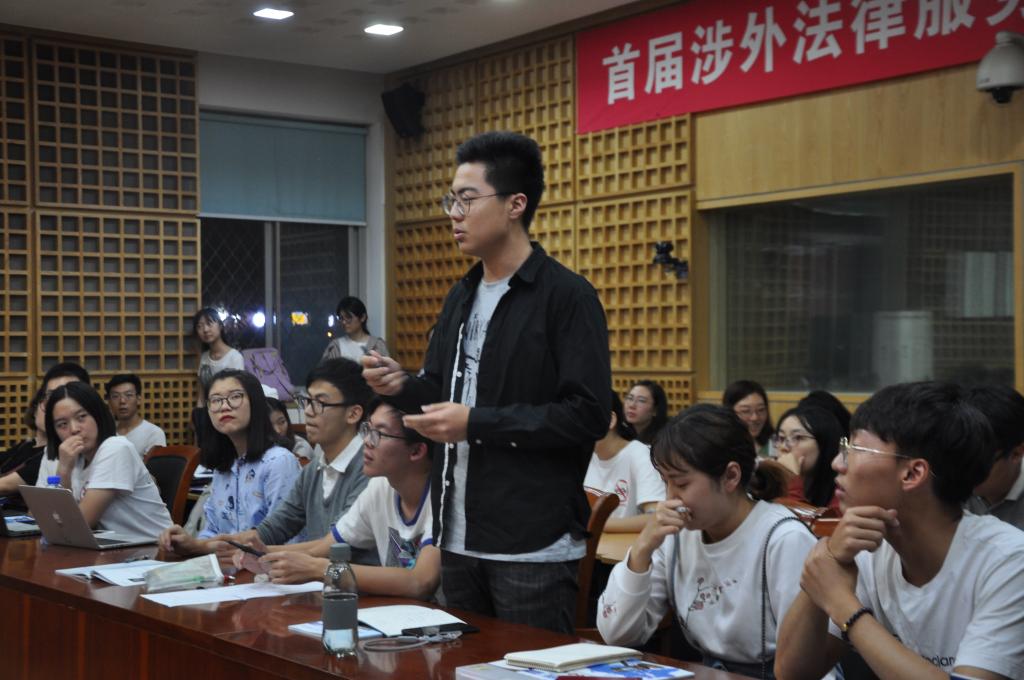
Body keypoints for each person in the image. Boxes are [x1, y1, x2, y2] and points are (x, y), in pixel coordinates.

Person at [362, 130, 611, 634]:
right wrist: (400, 385)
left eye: (467, 199)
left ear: (516, 204)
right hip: (456, 532)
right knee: (465, 667)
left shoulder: (566, 296)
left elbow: (587, 414)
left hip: (530, 540)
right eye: (451, 200)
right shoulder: (462, 295)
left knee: (530, 667)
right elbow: (441, 393)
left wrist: (475, 423)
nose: (454, 214)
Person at [775, 382, 1024, 680]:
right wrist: (823, 570)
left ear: (912, 473)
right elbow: (792, 673)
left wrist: (843, 605)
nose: (837, 463)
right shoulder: (870, 550)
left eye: (853, 449)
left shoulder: (1010, 561)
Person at [597, 406, 816, 678]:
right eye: (665, 482)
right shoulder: (677, 535)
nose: (670, 498)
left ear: (731, 476)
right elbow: (616, 634)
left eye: (681, 484)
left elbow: (808, 659)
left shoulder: (784, 539)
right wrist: (642, 549)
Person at [234, 399, 439, 600]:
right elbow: (324, 548)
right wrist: (263, 554)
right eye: (367, 429)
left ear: (416, 451)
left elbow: (420, 582)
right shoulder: (379, 487)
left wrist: (322, 569)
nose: (367, 441)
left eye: (379, 434)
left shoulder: (442, 498)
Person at [229, 359, 372, 549]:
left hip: (353, 569)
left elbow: (337, 546)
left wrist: (264, 552)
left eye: (320, 403)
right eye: (307, 401)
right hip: (314, 569)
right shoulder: (313, 470)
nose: (308, 411)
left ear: (353, 414)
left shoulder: (370, 470)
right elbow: (274, 528)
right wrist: (203, 546)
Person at [159, 369, 300, 555]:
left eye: (235, 397)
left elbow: (288, 540)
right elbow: (211, 532)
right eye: (216, 400)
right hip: (226, 567)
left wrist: (203, 547)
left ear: (255, 403)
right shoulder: (224, 467)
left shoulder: (278, 461)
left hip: (271, 567)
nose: (224, 406)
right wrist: (188, 544)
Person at [37, 382, 171, 539]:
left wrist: (64, 469)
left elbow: (80, 525)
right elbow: (57, 520)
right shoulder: (78, 460)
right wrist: (64, 470)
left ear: (97, 415)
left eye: (81, 417)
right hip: (113, 547)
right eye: (62, 424)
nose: (74, 429)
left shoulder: (115, 448)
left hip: (154, 548)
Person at [585, 393, 664, 532]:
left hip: (622, 545)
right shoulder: (582, 455)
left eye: (581, 419)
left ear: (610, 420)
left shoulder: (641, 455)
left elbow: (657, 517)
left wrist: (594, 524)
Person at [964, 384, 1024, 530]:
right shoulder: (945, 487)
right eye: (959, 457)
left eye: (978, 462)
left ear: (1016, 453)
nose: (964, 471)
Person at [773, 405, 841, 512]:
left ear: (824, 444)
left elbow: (794, 522)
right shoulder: (771, 481)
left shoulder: (842, 490)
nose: (784, 447)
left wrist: (792, 480)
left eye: (798, 437)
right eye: (781, 438)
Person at [0, 389, 48, 496]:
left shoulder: (52, 455)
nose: (50, 414)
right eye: (46, 407)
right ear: (35, 410)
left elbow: (5, 486)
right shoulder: (27, 444)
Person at [104, 374, 167, 458]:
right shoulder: (106, 432)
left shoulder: (153, 433)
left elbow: (155, 465)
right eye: (115, 396)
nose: (122, 401)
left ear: (138, 399)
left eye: (128, 395)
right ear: (109, 401)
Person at [192, 307, 245, 401]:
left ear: (220, 326)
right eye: (199, 326)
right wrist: (199, 409)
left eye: (209, 323)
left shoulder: (235, 357)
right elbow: (201, 393)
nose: (205, 330)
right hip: (209, 406)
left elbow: (237, 392)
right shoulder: (204, 357)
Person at [321, 296, 389, 363]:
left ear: (362, 317)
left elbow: (387, 367)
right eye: (341, 318)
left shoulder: (377, 344)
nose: (344, 322)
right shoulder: (335, 346)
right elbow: (325, 369)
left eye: (348, 317)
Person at [723, 380, 773, 457]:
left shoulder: (776, 443)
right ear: (729, 412)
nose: (755, 418)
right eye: (745, 411)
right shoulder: (720, 447)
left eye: (761, 410)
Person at [624, 380, 668, 446]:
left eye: (641, 401)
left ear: (655, 410)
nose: (632, 405)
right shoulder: (621, 433)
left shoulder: (664, 440)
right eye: (630, 398)